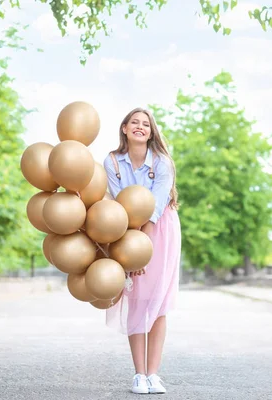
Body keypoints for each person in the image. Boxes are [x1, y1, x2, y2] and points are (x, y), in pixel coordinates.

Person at [102, 107, 181, 395]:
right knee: (137, 298)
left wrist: (142, 243)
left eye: (145, 124)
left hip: (161, 229)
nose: (140, 127)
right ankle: (139, 375)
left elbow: (157, 203)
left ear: (151, 131)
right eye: (134, 122)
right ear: (124, 128)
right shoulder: (112, 161)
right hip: (127, 230)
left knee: (158, 303)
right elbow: (117, 202)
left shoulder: (162, 162)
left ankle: (154, 374)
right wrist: (128, 245)